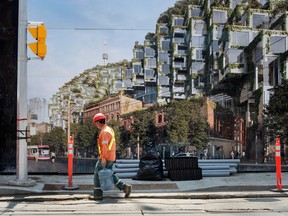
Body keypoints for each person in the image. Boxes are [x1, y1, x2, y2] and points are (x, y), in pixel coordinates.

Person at [92, 113, 132, 200]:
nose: (95, 125)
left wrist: (103, 159)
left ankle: (97, 195)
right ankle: (125, 187)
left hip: (106, 157)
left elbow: (105, 147)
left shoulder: (104, 132)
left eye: (95, 123)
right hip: (111, 156)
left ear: (99, 122)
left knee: (97, 175)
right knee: (109, 174)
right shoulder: (109, 129)